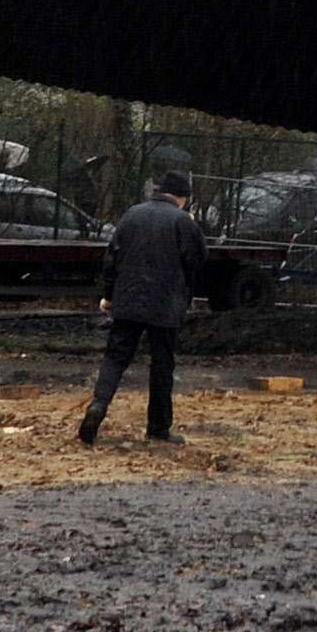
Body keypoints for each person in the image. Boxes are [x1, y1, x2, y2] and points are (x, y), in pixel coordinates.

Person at [79, 170, 209, 446]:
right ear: (183, 198)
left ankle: (98, 405)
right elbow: (197, 261)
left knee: (115, 358)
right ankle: (158, 428)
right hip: (165, 304)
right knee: (162, 364)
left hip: (127, 300)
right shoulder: (182, 222)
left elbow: (111, 257)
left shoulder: (132, 214)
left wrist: (109, 295)